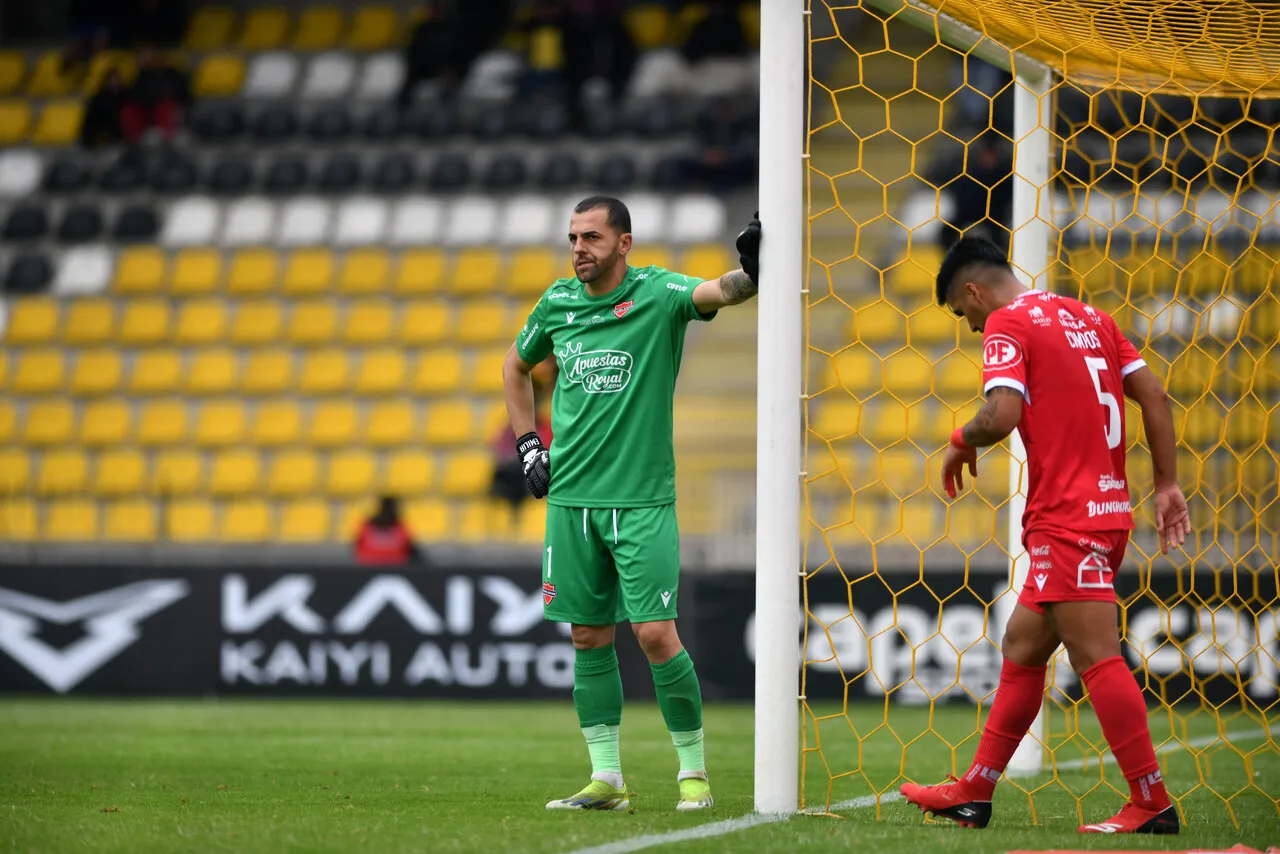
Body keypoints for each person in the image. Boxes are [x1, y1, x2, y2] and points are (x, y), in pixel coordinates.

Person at [900, 236, 1191, 834]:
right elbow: (1155, 396)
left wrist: (958, 441)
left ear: (974, 292)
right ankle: (974, 792)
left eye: (963, 314)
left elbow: (1001, 414)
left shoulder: (1008, 323)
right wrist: (1166, 484)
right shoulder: (1094, 318)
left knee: (1098, 659)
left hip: (1069, 518)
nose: (974, 329)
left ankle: (1152, 801)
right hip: (1107, 512)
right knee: (1023, 647)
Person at [502, 195, 761, 812]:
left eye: (591, 237)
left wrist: (753, 272)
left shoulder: (658, 293)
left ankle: (693, 773)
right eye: (572, 238)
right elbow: (516, 367)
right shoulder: (556, 304)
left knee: (653, 634)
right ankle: (606, 780)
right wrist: (529, 446)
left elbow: (719, 292)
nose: (578, 250)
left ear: (624, 243)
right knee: (588, 637)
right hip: (570, 501)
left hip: (642, 500)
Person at [353, 496, 424, 566]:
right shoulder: (400, 526)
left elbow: (356, 544)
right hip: (395, 566)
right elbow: (410, 547)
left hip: (368, 566)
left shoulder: (367, 524)